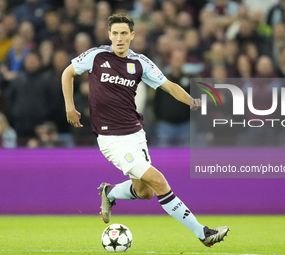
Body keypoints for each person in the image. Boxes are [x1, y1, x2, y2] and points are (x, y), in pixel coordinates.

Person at [61, 13, 229, 247]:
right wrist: (70, 107)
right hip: (111, 138)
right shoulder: (96, 56)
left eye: (124, 33)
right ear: (109, 35)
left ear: (132, 35)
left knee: (145, 192)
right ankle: (204, 233)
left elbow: (169, 86)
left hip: (135, 134)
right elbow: (67, 73)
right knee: (159, 181)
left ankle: (109, 192)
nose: (119, 38)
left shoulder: (141, 62)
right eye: (115, 33)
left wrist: (192, 101)